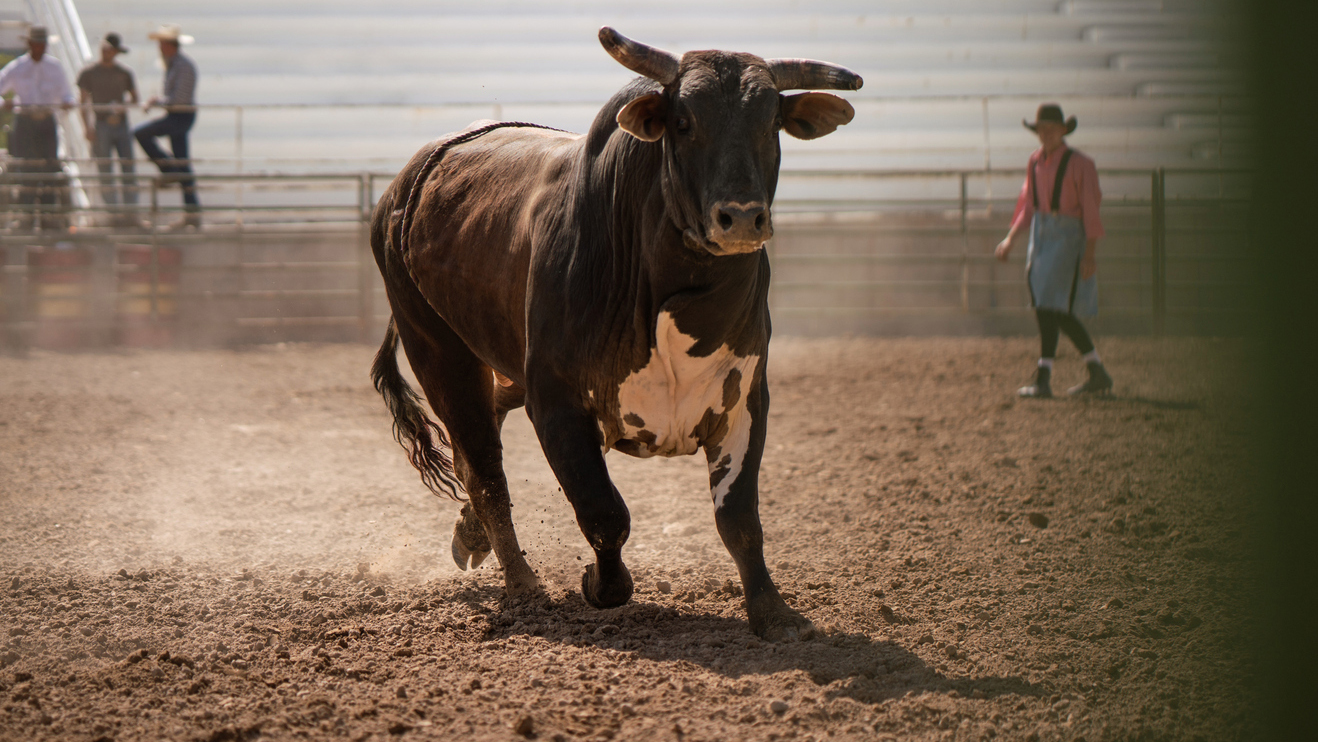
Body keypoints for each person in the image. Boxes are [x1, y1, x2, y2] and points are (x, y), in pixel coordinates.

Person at [995, 103, 1114, 398]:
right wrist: (1011, 239)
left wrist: (1089, 253)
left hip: (1067, 236)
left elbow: (1090, 209)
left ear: (1063, 130)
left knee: (1053, 305)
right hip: (1042, 235)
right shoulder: (1035, 162)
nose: (1046, 134)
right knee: (1046, 304)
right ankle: (1084, 371)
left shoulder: (1081, 164)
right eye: (1041, 129)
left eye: (1051, 129)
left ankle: (1050, 375)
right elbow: (1028, 205)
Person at [0, 26, 74, 231]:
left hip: (46, 120)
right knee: (27, 167)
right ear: (30, 44)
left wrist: (68, 102)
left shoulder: (55, 67)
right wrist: (4, 103)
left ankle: (49, 217)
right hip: (25, 121)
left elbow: (67, 94)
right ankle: (26, 216)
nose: (41, 47)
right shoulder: (18, 67)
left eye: (43, 43)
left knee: (49, 166)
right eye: (37, 43)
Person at [134, 24, 200, 230]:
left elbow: (179, 98)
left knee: (141, 133)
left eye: (162, 44)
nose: (159, 48)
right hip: (178, 115)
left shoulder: (182, 66)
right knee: (184, 164)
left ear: (169, 45)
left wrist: (158, 101)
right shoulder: (175, 65)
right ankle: (192, 213)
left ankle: (168, 168)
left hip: (180, 115)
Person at [77, 32, 139, 227]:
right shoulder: (89, 73)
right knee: (105, 170)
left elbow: (135, 98)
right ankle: (113, 214)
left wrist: (123, 106)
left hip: (121, 124)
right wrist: (87, 127)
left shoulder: (124, 73)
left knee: (128, 169)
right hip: (102, 125)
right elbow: (83, 101)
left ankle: (130, 214)